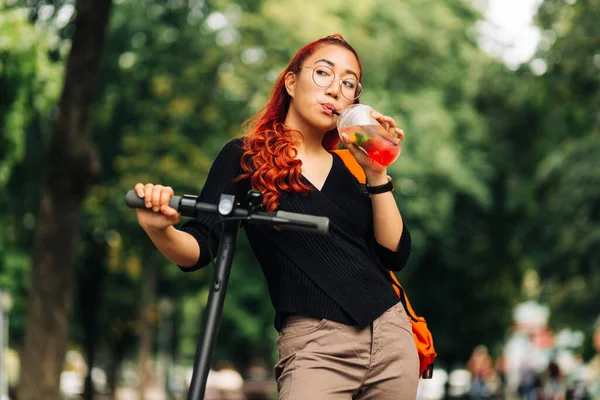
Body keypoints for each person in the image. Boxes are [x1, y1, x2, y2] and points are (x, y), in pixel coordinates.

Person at [133, 34, 418, 399]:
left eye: (348, 84)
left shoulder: (351, 167)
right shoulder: (245, 156)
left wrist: (377, 173)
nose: (334, 90)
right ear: (291, 81)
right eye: (323, 74)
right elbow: (201, 247)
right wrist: (160, 230)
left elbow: (395, 253)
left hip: (391, 339)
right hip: (315, 346)